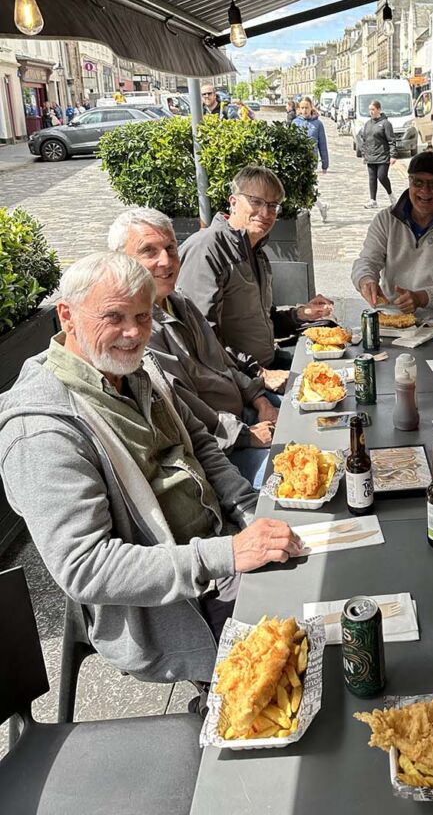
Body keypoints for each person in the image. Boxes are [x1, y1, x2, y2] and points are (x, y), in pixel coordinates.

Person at [0, 251, 303, 682]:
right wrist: (228, 554)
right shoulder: (42, 430)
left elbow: (200, 443)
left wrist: (252, 510)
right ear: (66, 316)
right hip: (176, 611)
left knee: (343, 565)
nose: (133, 333)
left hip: (223, 552)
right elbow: (87, 567)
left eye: (143, 317)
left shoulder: (138, 370)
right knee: (319, 628)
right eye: (114, 317)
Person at [109, 207, 279, 489]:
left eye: (170, 248)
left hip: (244, 414)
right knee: (297, 474)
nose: (166, 261)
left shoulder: (180, 301)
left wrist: (259, 400)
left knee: (322, 422)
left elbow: (222, 362)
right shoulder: (137, 329)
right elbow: (182, 406)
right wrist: (245, 435)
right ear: (120, 261)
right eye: (149, 252)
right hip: (220, 446)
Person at [178, 164, 333, 372]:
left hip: (265, 365)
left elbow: (262, 321)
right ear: (233, 202)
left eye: (272, 205)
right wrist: (259, 376)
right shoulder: (207, 249)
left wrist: (301, 314)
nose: (265, 212)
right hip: (237, 381)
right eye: (256, 201)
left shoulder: (256, 251)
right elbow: (203, 338)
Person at [351, 151, 433, 319]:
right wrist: (365, 280)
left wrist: (422, 298)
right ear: (409, 181)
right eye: (418, 182)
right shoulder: (386, 220)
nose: (425, 190)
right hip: (394, 316)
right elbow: (367, 260)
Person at [292, 96, 330, 222]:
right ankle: (319, 206)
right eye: (302, 108)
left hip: (311, 160)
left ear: (311, 107)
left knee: (306, 186)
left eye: (306, 107)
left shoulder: (318, 124)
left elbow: (322, 144)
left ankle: (307, 211)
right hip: (297, 160)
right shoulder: (295, 122)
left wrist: (325, 163)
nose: (304, 110)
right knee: (302, 187)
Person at [359, 99, 397, 209]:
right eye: (370, 110)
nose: (371, 112)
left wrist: (393, 155)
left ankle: (391, 195)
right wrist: (364, 154)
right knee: (372, 178)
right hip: (370, 155)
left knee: (382, 177)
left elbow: (391, 140)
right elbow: (364, 140)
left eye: (373, 109)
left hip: (382, 156)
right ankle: (373, 200)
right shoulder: (367, 124)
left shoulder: (385, 123)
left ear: (379, 110)